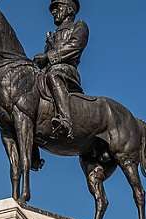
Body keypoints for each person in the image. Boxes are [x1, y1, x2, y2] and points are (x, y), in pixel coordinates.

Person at [34, 0, 89, 141]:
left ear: (70, 10)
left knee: (53, 75)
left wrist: (48, 56)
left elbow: (75, 46)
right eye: (53, 9)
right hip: (49, 71)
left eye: (58, 8)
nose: (53, 12)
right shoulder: (52, 35)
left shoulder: (79, 26)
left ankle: (66, 121)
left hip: (67, 71)